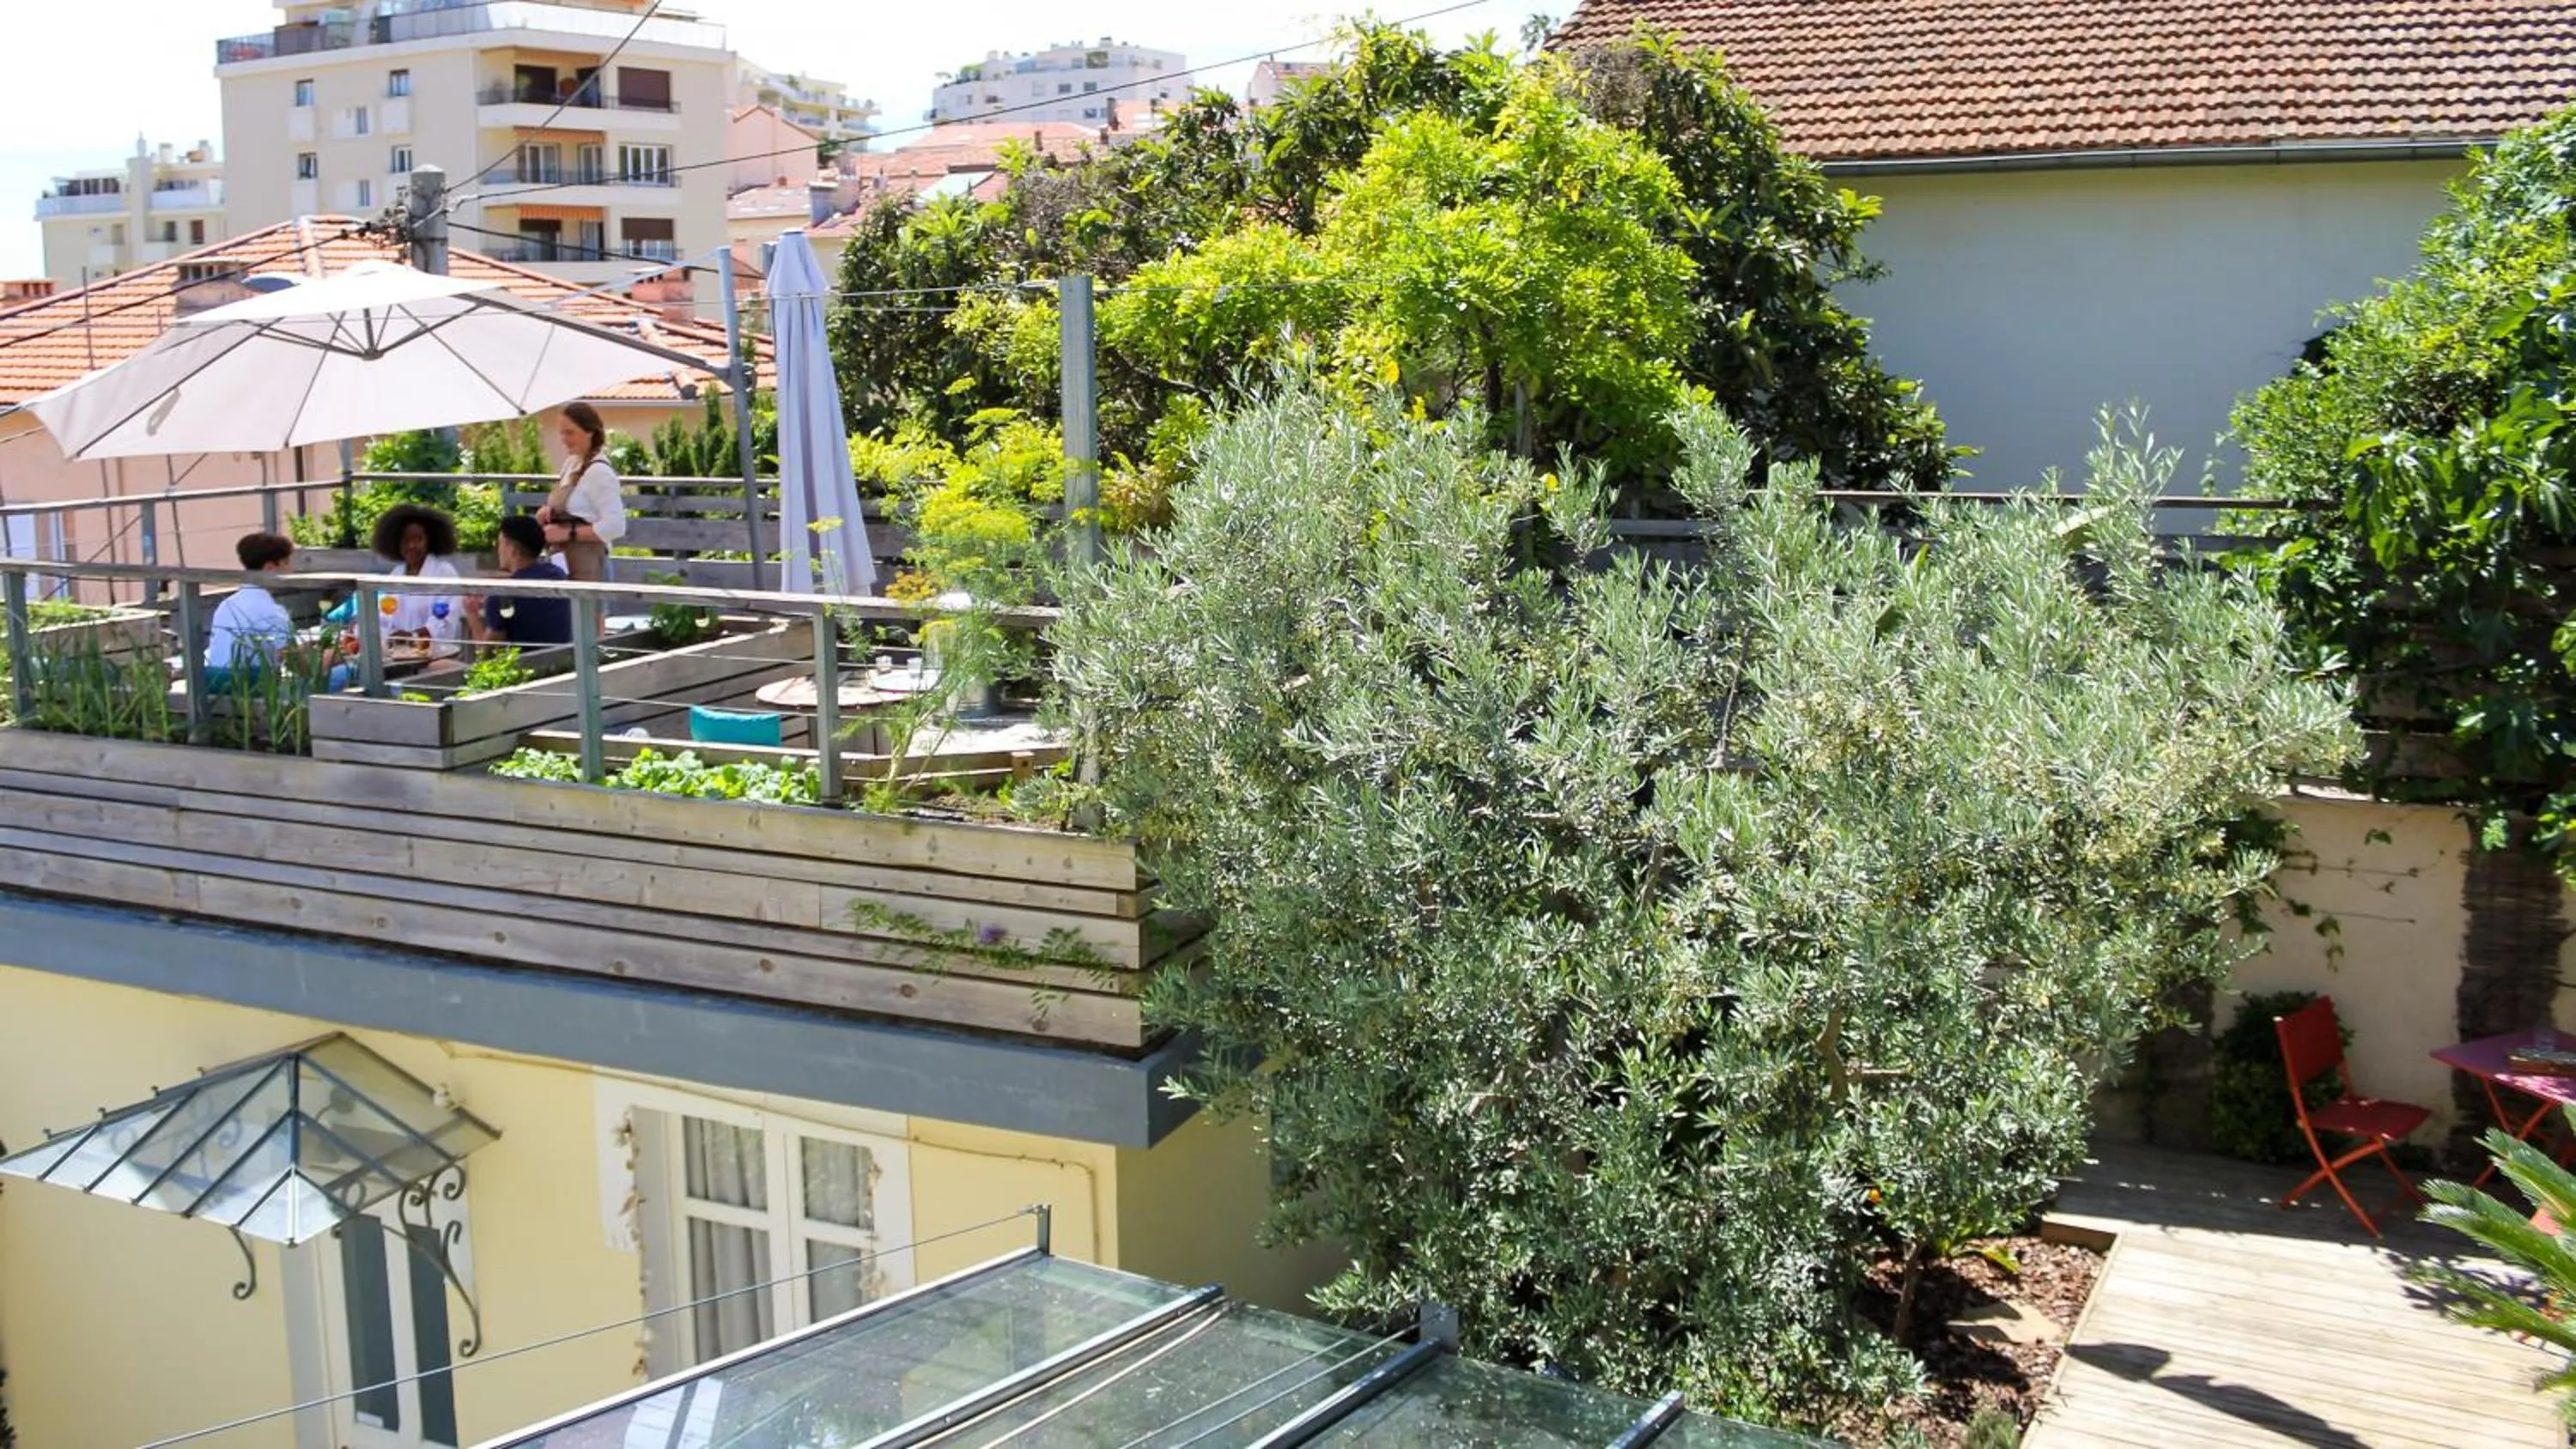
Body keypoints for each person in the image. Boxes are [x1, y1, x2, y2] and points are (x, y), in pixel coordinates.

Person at [205, 531, 355, 690]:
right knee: (349, 672)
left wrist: (307, 646)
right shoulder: (272, 611)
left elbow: (278, 650)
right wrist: (336, 656)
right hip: (255, 690)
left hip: (219, 685)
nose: (291, 569)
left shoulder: (227, 605)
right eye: (286, 563)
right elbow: (301, 669)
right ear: (270, 568)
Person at [535, 401, 626, 582]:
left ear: (590, 432)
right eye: (562, 433)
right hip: (565, 563)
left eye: (570, 433)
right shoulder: (571, 463)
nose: (564, 439)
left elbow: (615, 526)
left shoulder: (599, 472)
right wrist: (546, 513)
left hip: (591, 568)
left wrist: (567, 533)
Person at [370, 502, 465, 653]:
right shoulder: (396, 574)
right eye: (406, 541)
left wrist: (414, 637)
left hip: (437, 655)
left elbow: (445, 619)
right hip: (398, 654)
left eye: (418, 539)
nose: (412, 546)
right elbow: (385, 617)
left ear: (429, 541)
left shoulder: (444, 572)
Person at [468, 514, 574, 649]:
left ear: (512, 549)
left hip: (522, 662)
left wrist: (472, 614)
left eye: (500, 544)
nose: (498, 550)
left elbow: (486, 655)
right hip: (561, 659)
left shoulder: (501, 597)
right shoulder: (557, 574)